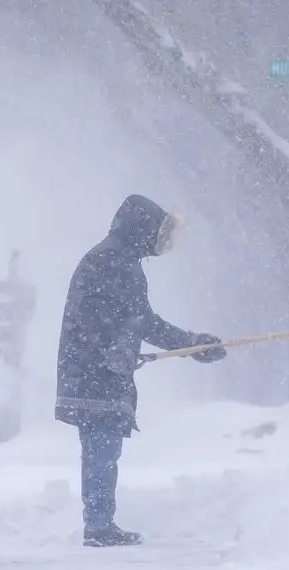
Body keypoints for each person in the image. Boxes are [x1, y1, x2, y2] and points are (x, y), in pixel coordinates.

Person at [55, 194, 227, 548]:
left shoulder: (111, 257)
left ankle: (99, 523)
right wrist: (191, 344)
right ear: (142, 229)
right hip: (97, 373)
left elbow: (122, 321)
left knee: (99, 447)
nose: (163, 243)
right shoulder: (116, 261)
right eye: (161, 233)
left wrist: (126, 348)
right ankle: (99, 527)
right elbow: (141, 320)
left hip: (92, 367)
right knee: (102, 448)